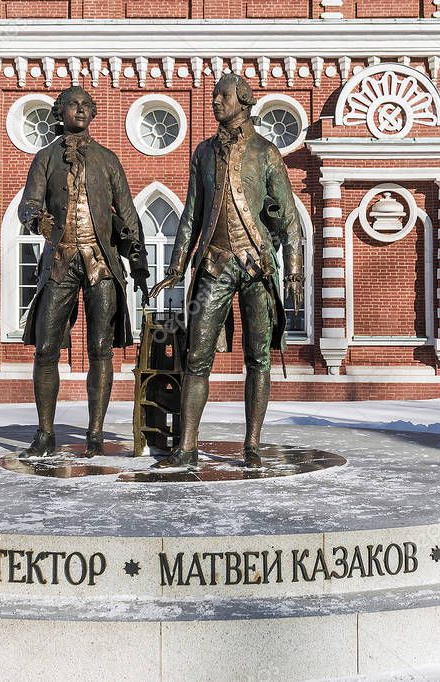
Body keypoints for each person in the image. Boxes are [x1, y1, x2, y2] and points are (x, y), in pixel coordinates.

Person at [149, 73, 304, 469]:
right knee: (196, 354)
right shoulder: (203, 153)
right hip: (214, 264)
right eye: (215, 95)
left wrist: (294, 274)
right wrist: (176, 267)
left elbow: (289, 220)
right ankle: (187, 446)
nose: (215, 100)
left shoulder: (266, 152)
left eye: (223, 95)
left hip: (257, 267)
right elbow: (191, 216)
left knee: (259, 359)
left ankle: (252, 444)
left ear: (244, 100)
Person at [17, 86, 149, 458]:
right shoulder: (45, 158)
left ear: (93, 114)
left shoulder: (107, 160)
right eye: (73, 104)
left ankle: (95, 432)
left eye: (86, 106)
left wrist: (138, 265)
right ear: (60, 111)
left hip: (101, 262)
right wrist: (35, 218)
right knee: (45, 349)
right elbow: (27, 204)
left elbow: (127, 214)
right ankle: (45, 432)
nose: (80, 110)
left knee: (101, 349)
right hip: (60, 259)